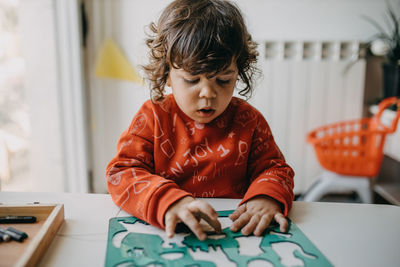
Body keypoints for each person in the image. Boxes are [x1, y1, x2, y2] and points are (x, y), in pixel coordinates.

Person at [106, 0, 294, 241]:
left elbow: (275, 169)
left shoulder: (249, 120)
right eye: (193, 80)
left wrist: (266, 197)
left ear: (239, 73)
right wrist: (169, 202)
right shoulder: (153, 117)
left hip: (236, 235)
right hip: (167, 233)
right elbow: (122, 173)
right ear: (167, 75)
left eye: (224, 80)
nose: (208, 93)